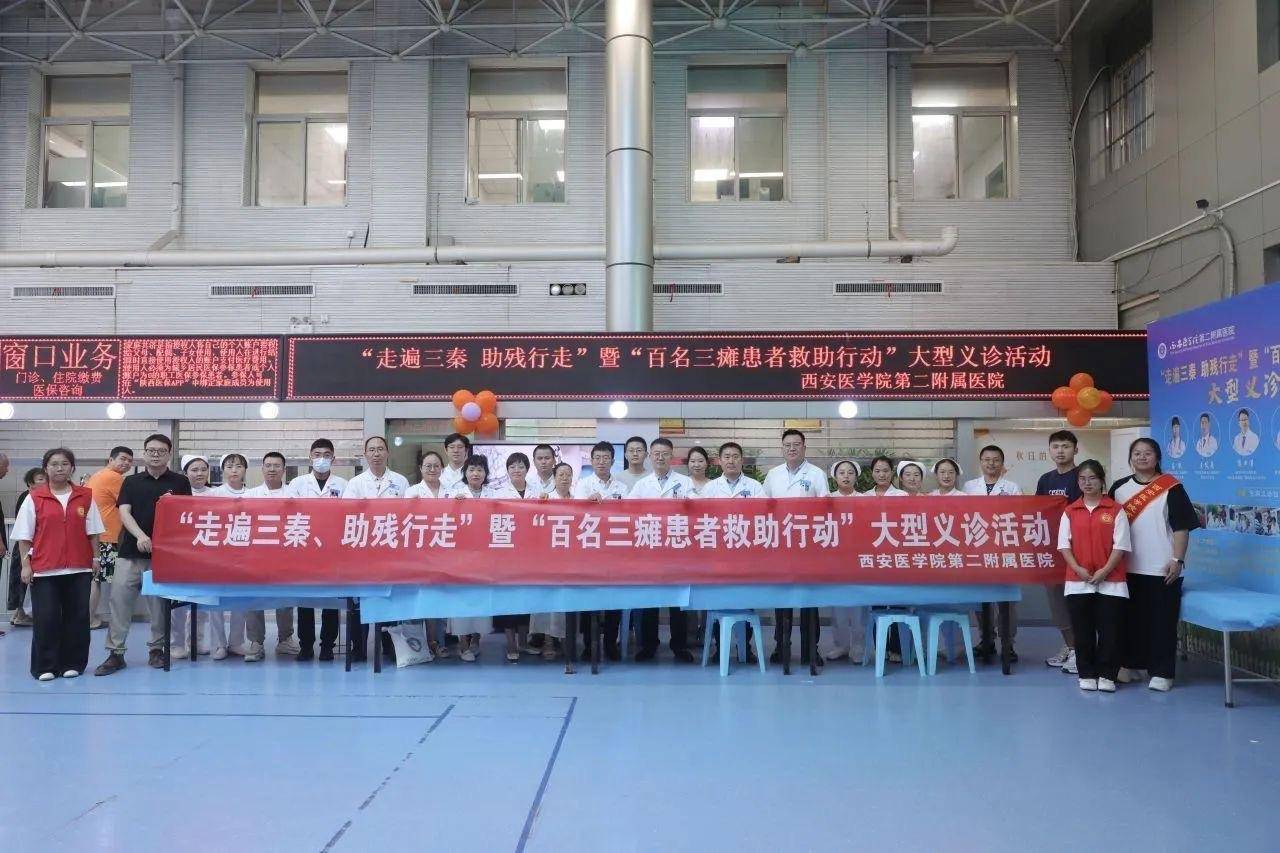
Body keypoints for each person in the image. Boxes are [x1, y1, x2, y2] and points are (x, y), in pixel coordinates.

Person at [94, 433, 193, 676]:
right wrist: (140, 536)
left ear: (169, 454)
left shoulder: (180, 482)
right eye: (151, 450)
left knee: (159, 606)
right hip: (129, 552)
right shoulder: (131, 481)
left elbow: (186, 515)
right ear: (145, 453)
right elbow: (124, 512)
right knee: (119, 602)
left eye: (161, 451)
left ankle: (156, 650)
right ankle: (115, 653)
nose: (155, 455)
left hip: (163, 556)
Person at [1109, 438, 1200, 692]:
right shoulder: (1119, 488)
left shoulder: (1171, 487)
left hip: (1161, 567)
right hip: (1125, 568)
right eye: (1136, 453)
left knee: (1162, 623)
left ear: (1157, 457)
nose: (1142, 457)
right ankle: (1129, 665)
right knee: (1128, 621)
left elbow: (1181, 527)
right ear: (1130, 458)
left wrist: (1177, 559)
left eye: (1147, 453)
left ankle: (1162, 672)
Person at [12, 448, 105, 680]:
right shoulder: (34, 498)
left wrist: (95, 558)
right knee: (46, 619)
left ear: (72, 467)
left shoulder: (85, 496)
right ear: (46, 468)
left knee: (77, 618)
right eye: (54, 464)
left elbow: (93, 532)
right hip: (45, 569)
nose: (59, 468)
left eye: (64, 464)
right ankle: (45, 666)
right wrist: (26, 565)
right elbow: (24, 536)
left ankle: (73, 663)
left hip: (79, 567)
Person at [1058, 460, 1131, 693]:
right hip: (1077, 582)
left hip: (1112, 582)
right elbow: (1064, 546)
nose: (1087, 483)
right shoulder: (1070, 511)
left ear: (1101, 480)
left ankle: (1108, 675)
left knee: (1111, 631)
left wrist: (1104, 571)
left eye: (1092, 478)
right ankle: (1087, 673)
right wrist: (1078, 569)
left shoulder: (1115, 510)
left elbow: (1121, 546)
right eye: (1082, 479)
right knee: (1083, 631)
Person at [341, 436, 410, 663]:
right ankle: (359, 647)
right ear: (365, 455)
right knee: (360, 600)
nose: (376, 453)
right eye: (372, 450)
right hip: (362, 550)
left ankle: (389, 646)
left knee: (389, 598)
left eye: (380, 449)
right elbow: (347, 514)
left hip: (391, 549)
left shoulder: (400, 481)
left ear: (387, 453)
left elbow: (408, 514)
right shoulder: (355, 483)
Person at [762, 429, 827, 666]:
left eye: (796, 444)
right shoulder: (773, 475)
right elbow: (763, 507)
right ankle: (782, 647)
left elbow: (825, 508)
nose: (792, 448)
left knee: (809, 600)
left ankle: (811, 649)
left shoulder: (817, 474)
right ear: (782, 449)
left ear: (804, 448)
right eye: (787, 445)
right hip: (780, 544)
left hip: (808, 545)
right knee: (783, 600)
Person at [627, 438, 695, 663]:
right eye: (656, 453)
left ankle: (680, 646)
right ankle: (649, 645)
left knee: (678, 602)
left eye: (665, 453)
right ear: (650, 457)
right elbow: (628, 512)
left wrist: (688, 503)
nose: (660, 457)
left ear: (671, 456)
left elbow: (698, 509)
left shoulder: (685, 482)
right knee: (650, 600)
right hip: (651, 548)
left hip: (678, 549)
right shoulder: (642, 485)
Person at [289, 439, 348, 662]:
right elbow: (289, 513)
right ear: (310, 457)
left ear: (333, 458)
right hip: (304, 548)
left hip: (333, 548)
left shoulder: (343, 484)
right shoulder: (297, 483)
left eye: (326, 454)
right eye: (317, 454)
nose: (321, 458)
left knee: (330, 600)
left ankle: (327, 646)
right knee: (305, 600)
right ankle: (305, 646)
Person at [963, 444, 1022, 660]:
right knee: (981, 599)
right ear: (980, 462)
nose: (991, 463)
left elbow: (1019, 516)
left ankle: (1008, 643)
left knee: (1007, 601)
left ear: (1002, 463)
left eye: (996, 460)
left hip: (1004, 549)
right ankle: (986, 639)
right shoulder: (969, 486)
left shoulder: (1012, 487)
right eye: (987, 459)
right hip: (977, 549)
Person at [573, 441, 630, 660]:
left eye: (606, 458)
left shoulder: (622, 488)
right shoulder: (582, 485)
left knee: (614, 600)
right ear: (591, 460)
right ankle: (589, 645)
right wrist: (587, 503)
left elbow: (628, 515)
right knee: (590, 601)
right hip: (590, 551)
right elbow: (575, 514)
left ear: (613, 461)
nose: (601, 461)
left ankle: (610, 644)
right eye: (597, 457)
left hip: (615, 550)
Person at [1037, 430, 1082, 675]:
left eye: (1065, 446)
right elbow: (1038, 514)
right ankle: (1070, 646)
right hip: (1053, 551)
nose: (1060, 451)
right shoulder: (1046, 480)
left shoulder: (1083, 476)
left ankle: (1081, 650)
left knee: (1078, 601)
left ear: (1076, 449)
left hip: (1080, 550)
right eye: (1055, 446)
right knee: (1057, 603)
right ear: (1050, 451)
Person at [488, 452, 541, 661]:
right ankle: (510, 644)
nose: (516, 470)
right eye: (512, 467)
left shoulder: (537, 491)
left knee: (526, 599)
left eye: (520, 466)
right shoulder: (498, 493)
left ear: (527, 469)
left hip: (530, 554)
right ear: (507, 470)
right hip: (506, 554)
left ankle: (524, 643)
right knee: (508, 600)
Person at [447, 454, 496, 662]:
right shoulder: (454, 493)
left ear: (486, 473)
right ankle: (462, 644)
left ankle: (476, 640)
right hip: (460, 557)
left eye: (480, 469)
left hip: (485, 556)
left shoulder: (494, 494)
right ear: (465, 473)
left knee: (480, 599)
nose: (476, 473)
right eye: (471, 469)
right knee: (461, 599)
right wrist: (454, 505)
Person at [528, 462, 576, 661]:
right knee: (548, 601)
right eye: (561, 474)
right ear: (554, 478)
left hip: (572, 558)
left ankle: (565, 639)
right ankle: (547, 640)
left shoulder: (579, 499)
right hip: (548, 558)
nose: (565, 478)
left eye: (568, 474)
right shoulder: (545, 499)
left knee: (566, 602)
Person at [406, 450, 450, 658]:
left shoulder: (452, 492)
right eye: (428, 466)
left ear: (442, 468)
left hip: (444, 553)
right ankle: (416, 647)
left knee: (438, 600)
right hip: (418, 554)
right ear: (420, 469)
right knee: (418, 599)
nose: (432, 469)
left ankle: (438, 642)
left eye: (436, 466)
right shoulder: (412, 492)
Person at [170, 455, 213, 659]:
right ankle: (176, 643)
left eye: (203, 469)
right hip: (181, 554)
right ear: (185, 473)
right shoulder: (176, 495)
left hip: (207, 555)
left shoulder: (215, 494)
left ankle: (196, 641)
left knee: (202, 601)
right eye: (194, 470)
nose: (199, 473)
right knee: (178, 602)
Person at [209, 453, 249, 659]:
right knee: (216, 600)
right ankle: (218, 644)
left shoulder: (252, 494)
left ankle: (236, 642)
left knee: (240, 599)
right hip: (218, 553)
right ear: (223, 470)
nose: (234, 470)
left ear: (245, 470)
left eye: (239, 466)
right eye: (230, 466)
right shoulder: (213, 494)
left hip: (244, 552)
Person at [826, 460, 865, 663]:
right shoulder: (827, 500)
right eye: (842, 472)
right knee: (837, 606)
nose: (846, 476)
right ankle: (840, 645)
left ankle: (858, 647)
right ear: (835, 477)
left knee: (859, 608)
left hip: (859, 559)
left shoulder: (865, 500)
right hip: (835, 560)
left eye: (850, 472)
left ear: (856, 476)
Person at [7, 467, 47, 628]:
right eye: (40, 479)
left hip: (36, 545)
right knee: (21, 579)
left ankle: (19, 613)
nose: (45, 481)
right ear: (31, 483)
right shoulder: (28, 497)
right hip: (25, 545)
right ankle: (20, 613)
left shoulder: (42, 497)